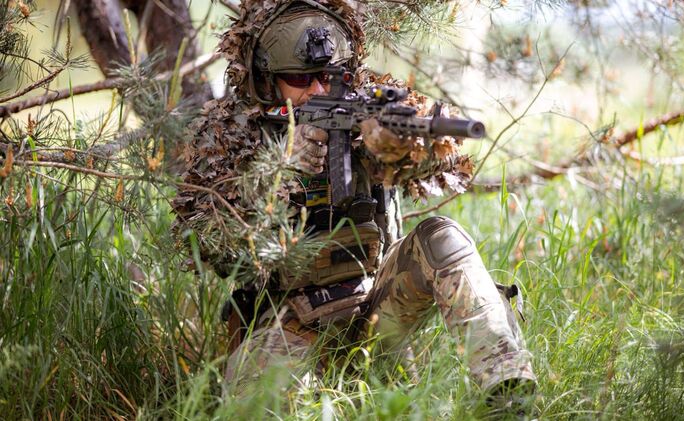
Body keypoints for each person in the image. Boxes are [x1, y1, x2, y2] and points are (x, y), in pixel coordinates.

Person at [172, 0, 535, 413]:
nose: (318, 90)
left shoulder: (369, 101)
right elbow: (207, 246)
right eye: (300, 79)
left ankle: (506, 389)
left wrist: (401, 147)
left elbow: (446, 156)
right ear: (267, 79)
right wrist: (277, 171)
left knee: (443, 238)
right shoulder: (230, 133)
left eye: (329, 76)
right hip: (288, 323)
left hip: (377, 308)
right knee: (252, 408)